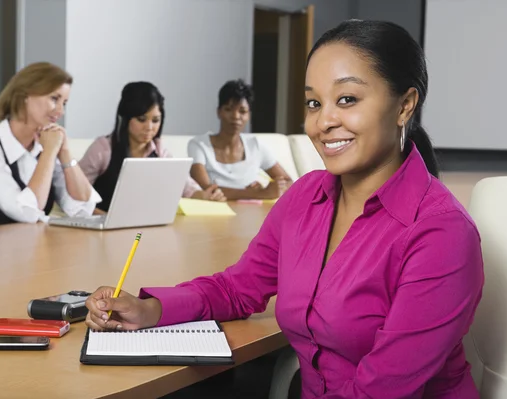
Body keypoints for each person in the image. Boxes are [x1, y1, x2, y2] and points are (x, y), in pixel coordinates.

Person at [85, 20, 484, 399]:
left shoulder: (441, 233)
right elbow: (237, 288)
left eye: (347, 99)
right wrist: (148, 309)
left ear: (405, 105)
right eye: (313, 102)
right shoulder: (305, 197)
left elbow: (383, 388)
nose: (323, 121)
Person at [0, 62, 100, 229]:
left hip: (32, 248)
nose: (60, 111)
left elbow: (82, 209)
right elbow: (26, 213)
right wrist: (49, 153)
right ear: (25, 95)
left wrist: (65, 153)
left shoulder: (45, 146)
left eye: (64, 103)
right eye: (54, 99)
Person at [79, 82, 226, 214]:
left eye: (156, 120)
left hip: (142, 228)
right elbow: (75, 194)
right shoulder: (102, 149)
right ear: (125, 118)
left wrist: (206, 196)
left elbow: (186, 188)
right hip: (99, 229)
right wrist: (102, 217)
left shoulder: (160, 152)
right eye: (141, 120)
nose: (149, 127)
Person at [187, 79, 293, 200]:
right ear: (218, 112)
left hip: (251, 213)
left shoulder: (255, 146)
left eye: (242, 111)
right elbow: (208, 190)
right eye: (228, 109)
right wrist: (260, 193)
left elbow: (290, 182)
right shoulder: (198, 145)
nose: (236, 116)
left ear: (249, 115)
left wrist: (274, 187)